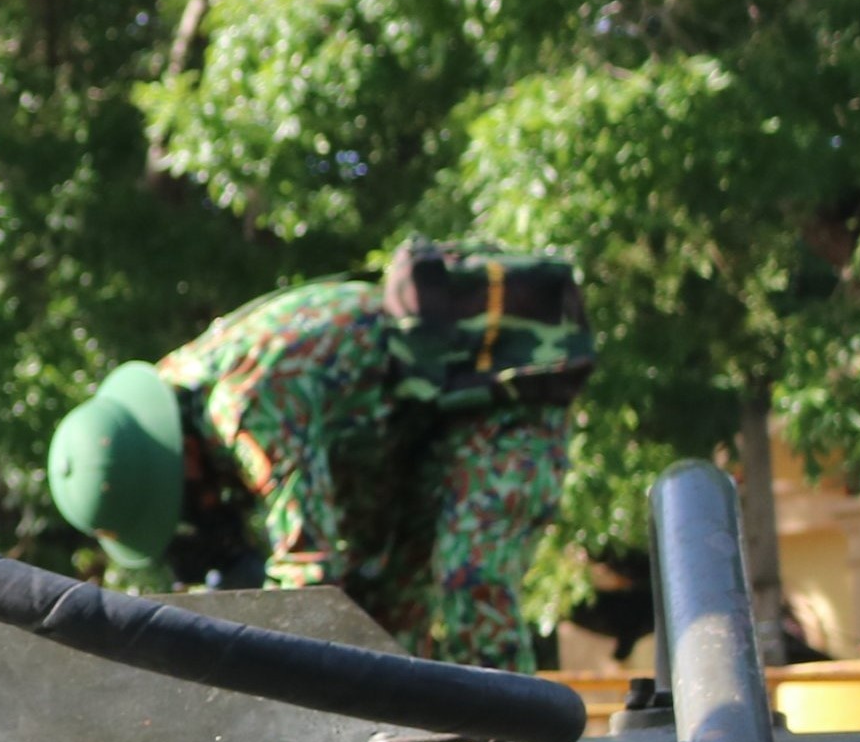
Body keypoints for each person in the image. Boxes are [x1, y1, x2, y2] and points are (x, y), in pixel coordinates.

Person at [44, 253, 589, 668]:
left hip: (496, 404)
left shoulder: (242, 407)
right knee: (377, 616)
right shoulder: (185, 380)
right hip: (406, 436)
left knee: (472, 574)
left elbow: (309, 574)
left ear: (180, 461)